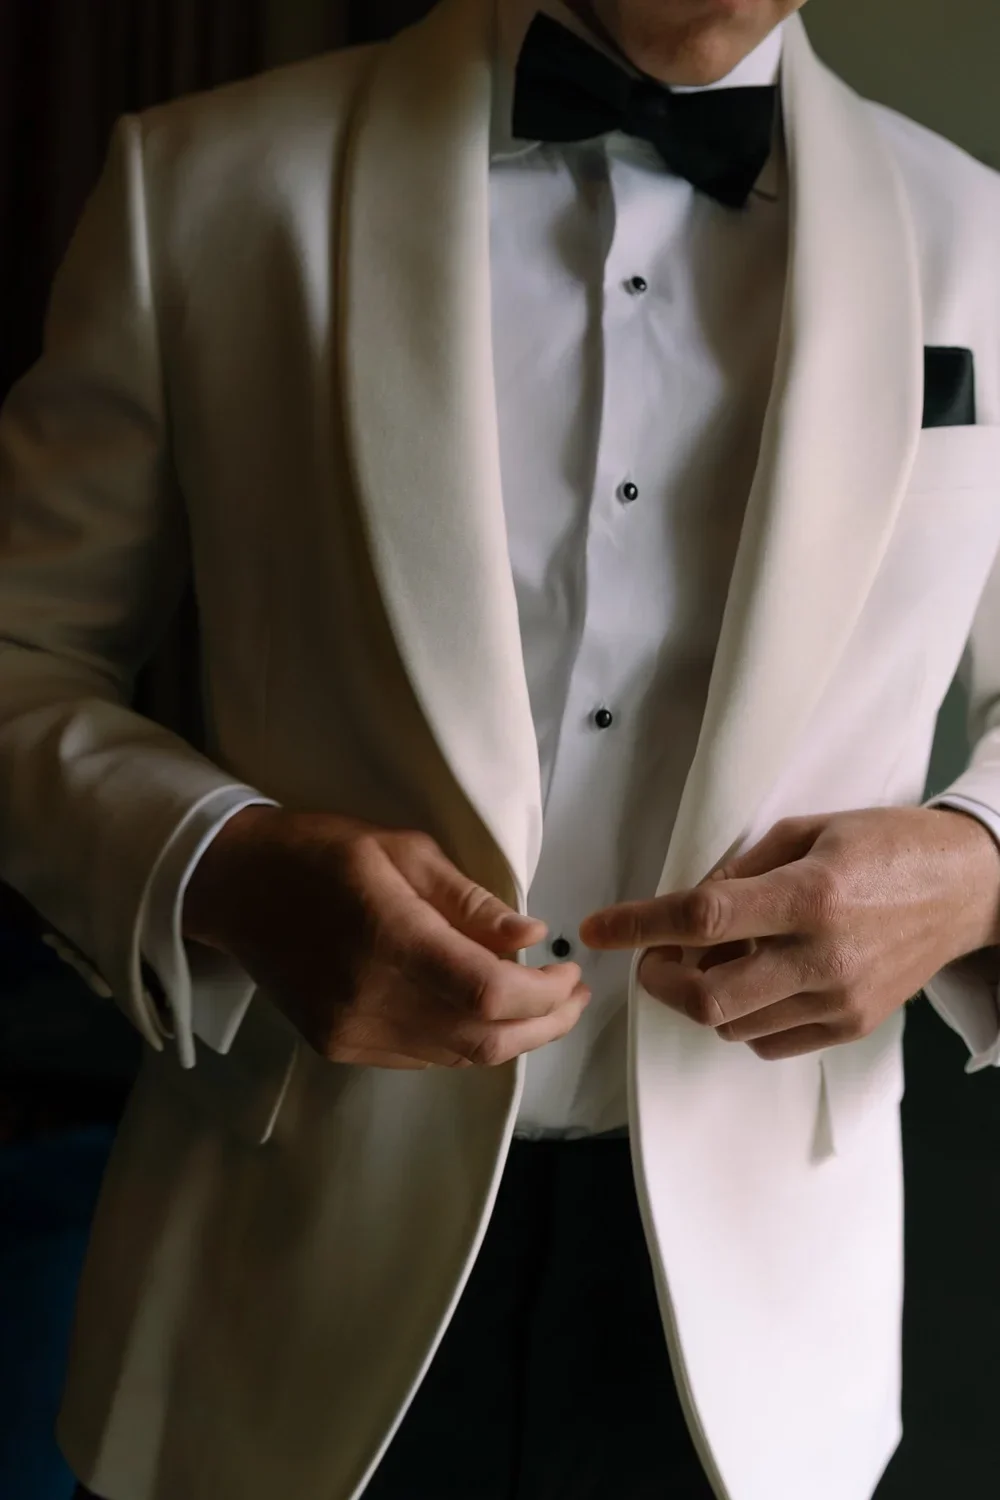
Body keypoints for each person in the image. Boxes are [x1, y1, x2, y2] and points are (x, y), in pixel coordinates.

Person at [3, 0, 1000, 1495]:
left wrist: (982, 867)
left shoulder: (985, 240)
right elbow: (24, 659)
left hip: (766, 1347)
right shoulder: (201, 183)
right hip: (273, 1293)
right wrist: (228, 869)